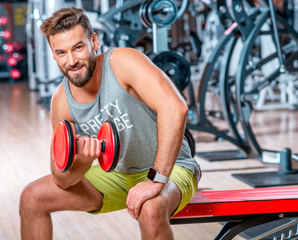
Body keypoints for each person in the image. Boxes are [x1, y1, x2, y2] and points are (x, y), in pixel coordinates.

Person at [19, 7, 201, 240]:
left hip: (171, 169)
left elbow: (176, 108)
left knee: (151, 209)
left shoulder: (123, 62)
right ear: (53, 55)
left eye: (78, 47)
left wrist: (156, 179)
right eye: (61, 53)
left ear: (94, 41)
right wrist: (82, 163)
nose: (72, 61)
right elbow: (60, 176)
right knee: (32, 198)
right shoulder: (61, 101)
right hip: (118, 175)